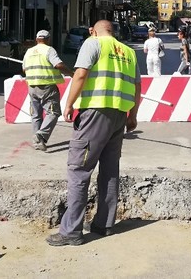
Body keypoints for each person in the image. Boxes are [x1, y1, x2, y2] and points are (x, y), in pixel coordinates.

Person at [46, 20, 141, 246]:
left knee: (79, 169)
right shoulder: (128, 51)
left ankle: (71, 232)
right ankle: (104, 224)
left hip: (95, 113)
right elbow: (138, 86)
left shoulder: (93, 43)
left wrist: (69, 103)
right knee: (109, 171)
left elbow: (80, 74)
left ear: (93, 31)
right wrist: (133, 115)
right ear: (113, 32)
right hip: (119, 115)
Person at [22, 30, 74, 151]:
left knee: (36, 115)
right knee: (53, 112)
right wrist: (71, 73)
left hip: (32, 86)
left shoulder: (29, 52)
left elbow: (24, 69)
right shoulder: (49, 50)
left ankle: (38, 143)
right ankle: (40, 135)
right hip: (47, 86)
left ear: (36, 39)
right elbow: (59, 65)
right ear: (48, 39)